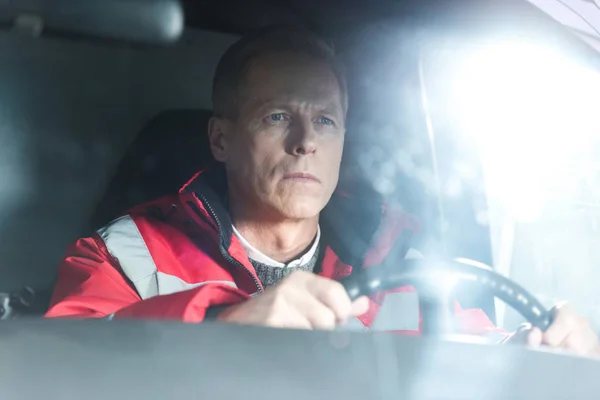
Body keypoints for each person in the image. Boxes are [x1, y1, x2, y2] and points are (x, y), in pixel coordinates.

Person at [46, 27, 599, 356]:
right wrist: (220, 326)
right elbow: (60, 359)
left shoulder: (397, 254)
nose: (306, 142)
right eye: (278, 116)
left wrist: (532, 348)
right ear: (221, 139)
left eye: (326, 121)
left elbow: (468, 352)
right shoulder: (126, 252)